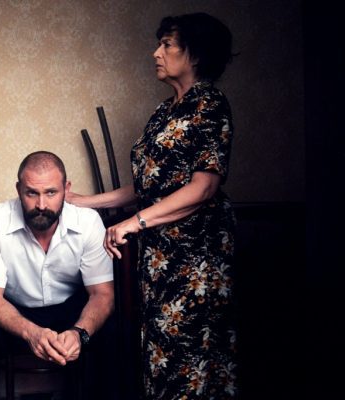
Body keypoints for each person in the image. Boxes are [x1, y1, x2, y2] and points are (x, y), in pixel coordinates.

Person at [67, 12, 238, 400]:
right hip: (160, 255)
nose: (156, 52)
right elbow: (150, 185)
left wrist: (134, 223)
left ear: (195, 54)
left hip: (197, 253)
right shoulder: (165, 111)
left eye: (167, 44)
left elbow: (204, 187)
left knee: (192, 358)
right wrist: (84, 202)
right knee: (160, 355)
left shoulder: (210, 103)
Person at [0, 151, 116, 400]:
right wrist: (31, 333)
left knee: (115, 331)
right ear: (18, 189)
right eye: (31, 193)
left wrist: (80, 333)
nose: (41, 205)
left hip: (71, 311)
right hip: (16, 313)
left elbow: (102, 295)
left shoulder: (88, 222)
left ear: (66, 189)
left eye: (51, 193)